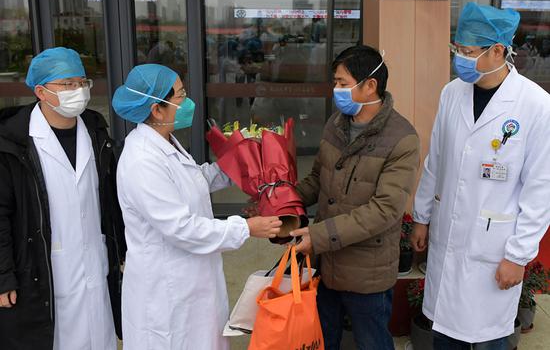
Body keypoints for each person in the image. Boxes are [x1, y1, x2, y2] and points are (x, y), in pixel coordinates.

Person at [111, 64, 282, 350]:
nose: (188, 101)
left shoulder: (165, 143)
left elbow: (194, 179)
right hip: (167, 287)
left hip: (193, 278)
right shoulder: (142, 160)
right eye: (180, 95)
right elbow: (180, 227)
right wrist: (246, 228)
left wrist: (237, 165)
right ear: (157, 110)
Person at [411, 2, 550, 349]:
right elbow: (435, 161)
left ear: (498, 51)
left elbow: (540, 187)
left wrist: (518, 256)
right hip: (449, 237)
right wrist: (422, 218)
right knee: (443, 331)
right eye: (456, 49)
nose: (459, 57)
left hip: (495, 246)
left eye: (468, 51)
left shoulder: (535, 105)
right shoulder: (452, 92)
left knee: (489, 338)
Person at [291, 45, 420, 350]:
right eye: (335, 83)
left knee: (371, 342)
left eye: (342, 83)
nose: (335, 90)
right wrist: (281, 201)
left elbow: (384, 210)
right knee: (322, 339)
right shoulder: (336, 124)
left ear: (370, 85)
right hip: (325, 263)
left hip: (367, 272)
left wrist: (317, 236)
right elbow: (316, 180)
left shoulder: (401, 138)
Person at [0, 47, 125, 349]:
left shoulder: (96, 132)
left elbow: (111, 200)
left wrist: (122, 249)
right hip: (41, 264)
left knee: (100, 335)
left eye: (82, 83)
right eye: (67, 84)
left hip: (94, 258)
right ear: (41, 91)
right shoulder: (13, 143)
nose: (78, 91)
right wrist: (3, 275)